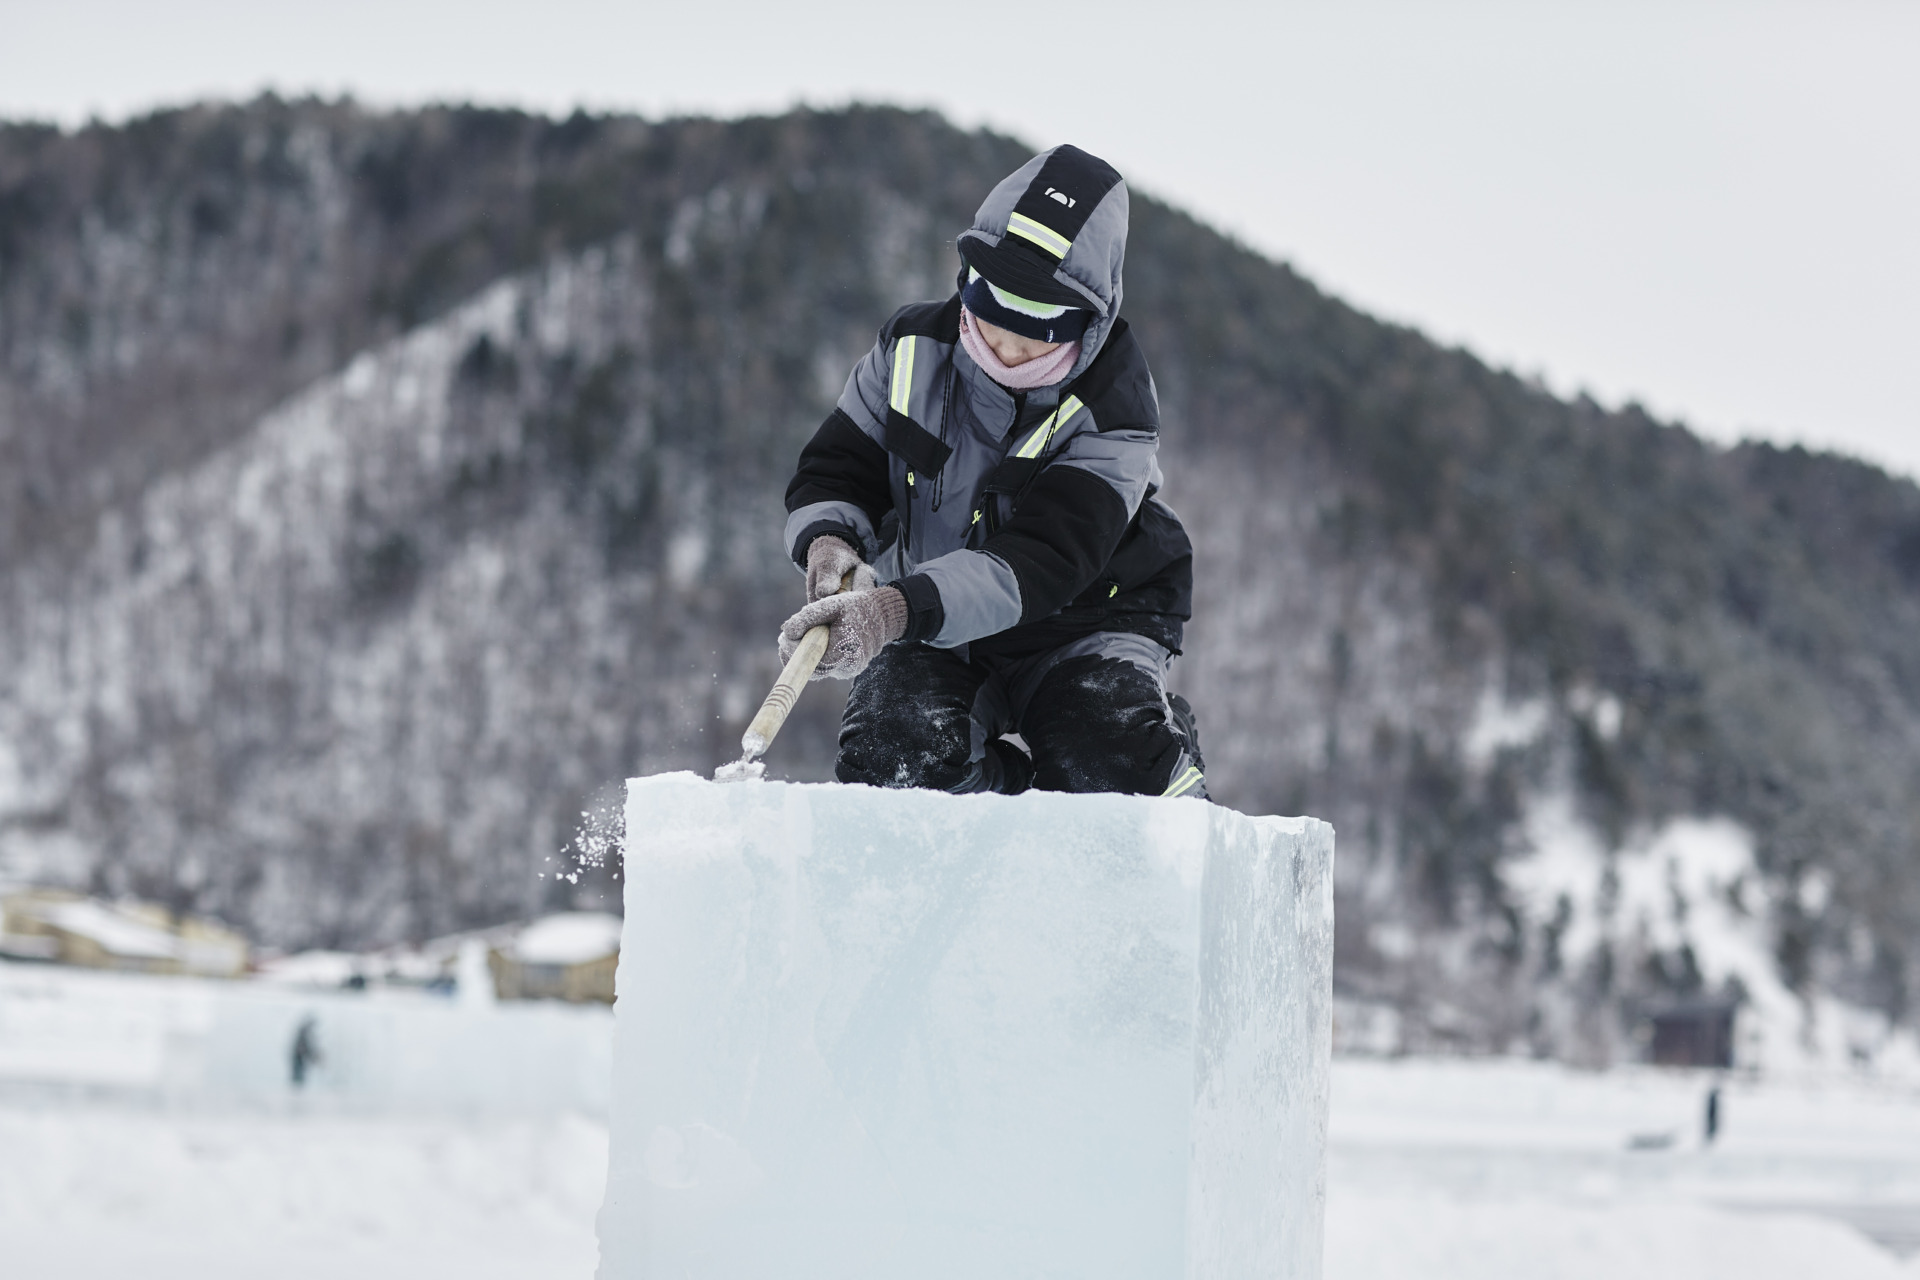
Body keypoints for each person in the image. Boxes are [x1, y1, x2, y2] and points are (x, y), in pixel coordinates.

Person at [777, 144, 1205, 799]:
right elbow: (839, 466)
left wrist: (890, 610)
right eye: (989, 308)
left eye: (1032, 329)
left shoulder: (1116, 412)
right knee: (894, 757)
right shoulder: (912, 350)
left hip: (1083, 622)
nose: (1002, 345)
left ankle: (1155, 755)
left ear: (1086, 323)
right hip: (939, 622)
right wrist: (829, 544)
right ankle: (1006, 800)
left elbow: (1038, 562)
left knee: (1107, 767)